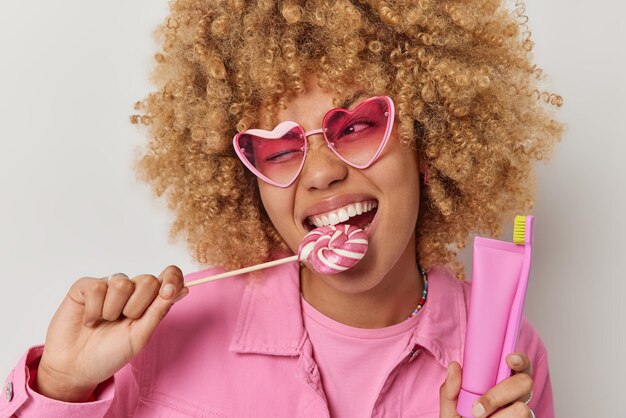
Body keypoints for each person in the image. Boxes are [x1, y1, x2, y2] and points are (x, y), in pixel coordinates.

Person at [0, 1, 563, 417]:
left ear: (429, 142)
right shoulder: (167, 330)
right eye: (281, 148)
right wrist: (60, 386)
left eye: (359, 126)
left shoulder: (504, 349)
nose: (320, 173)